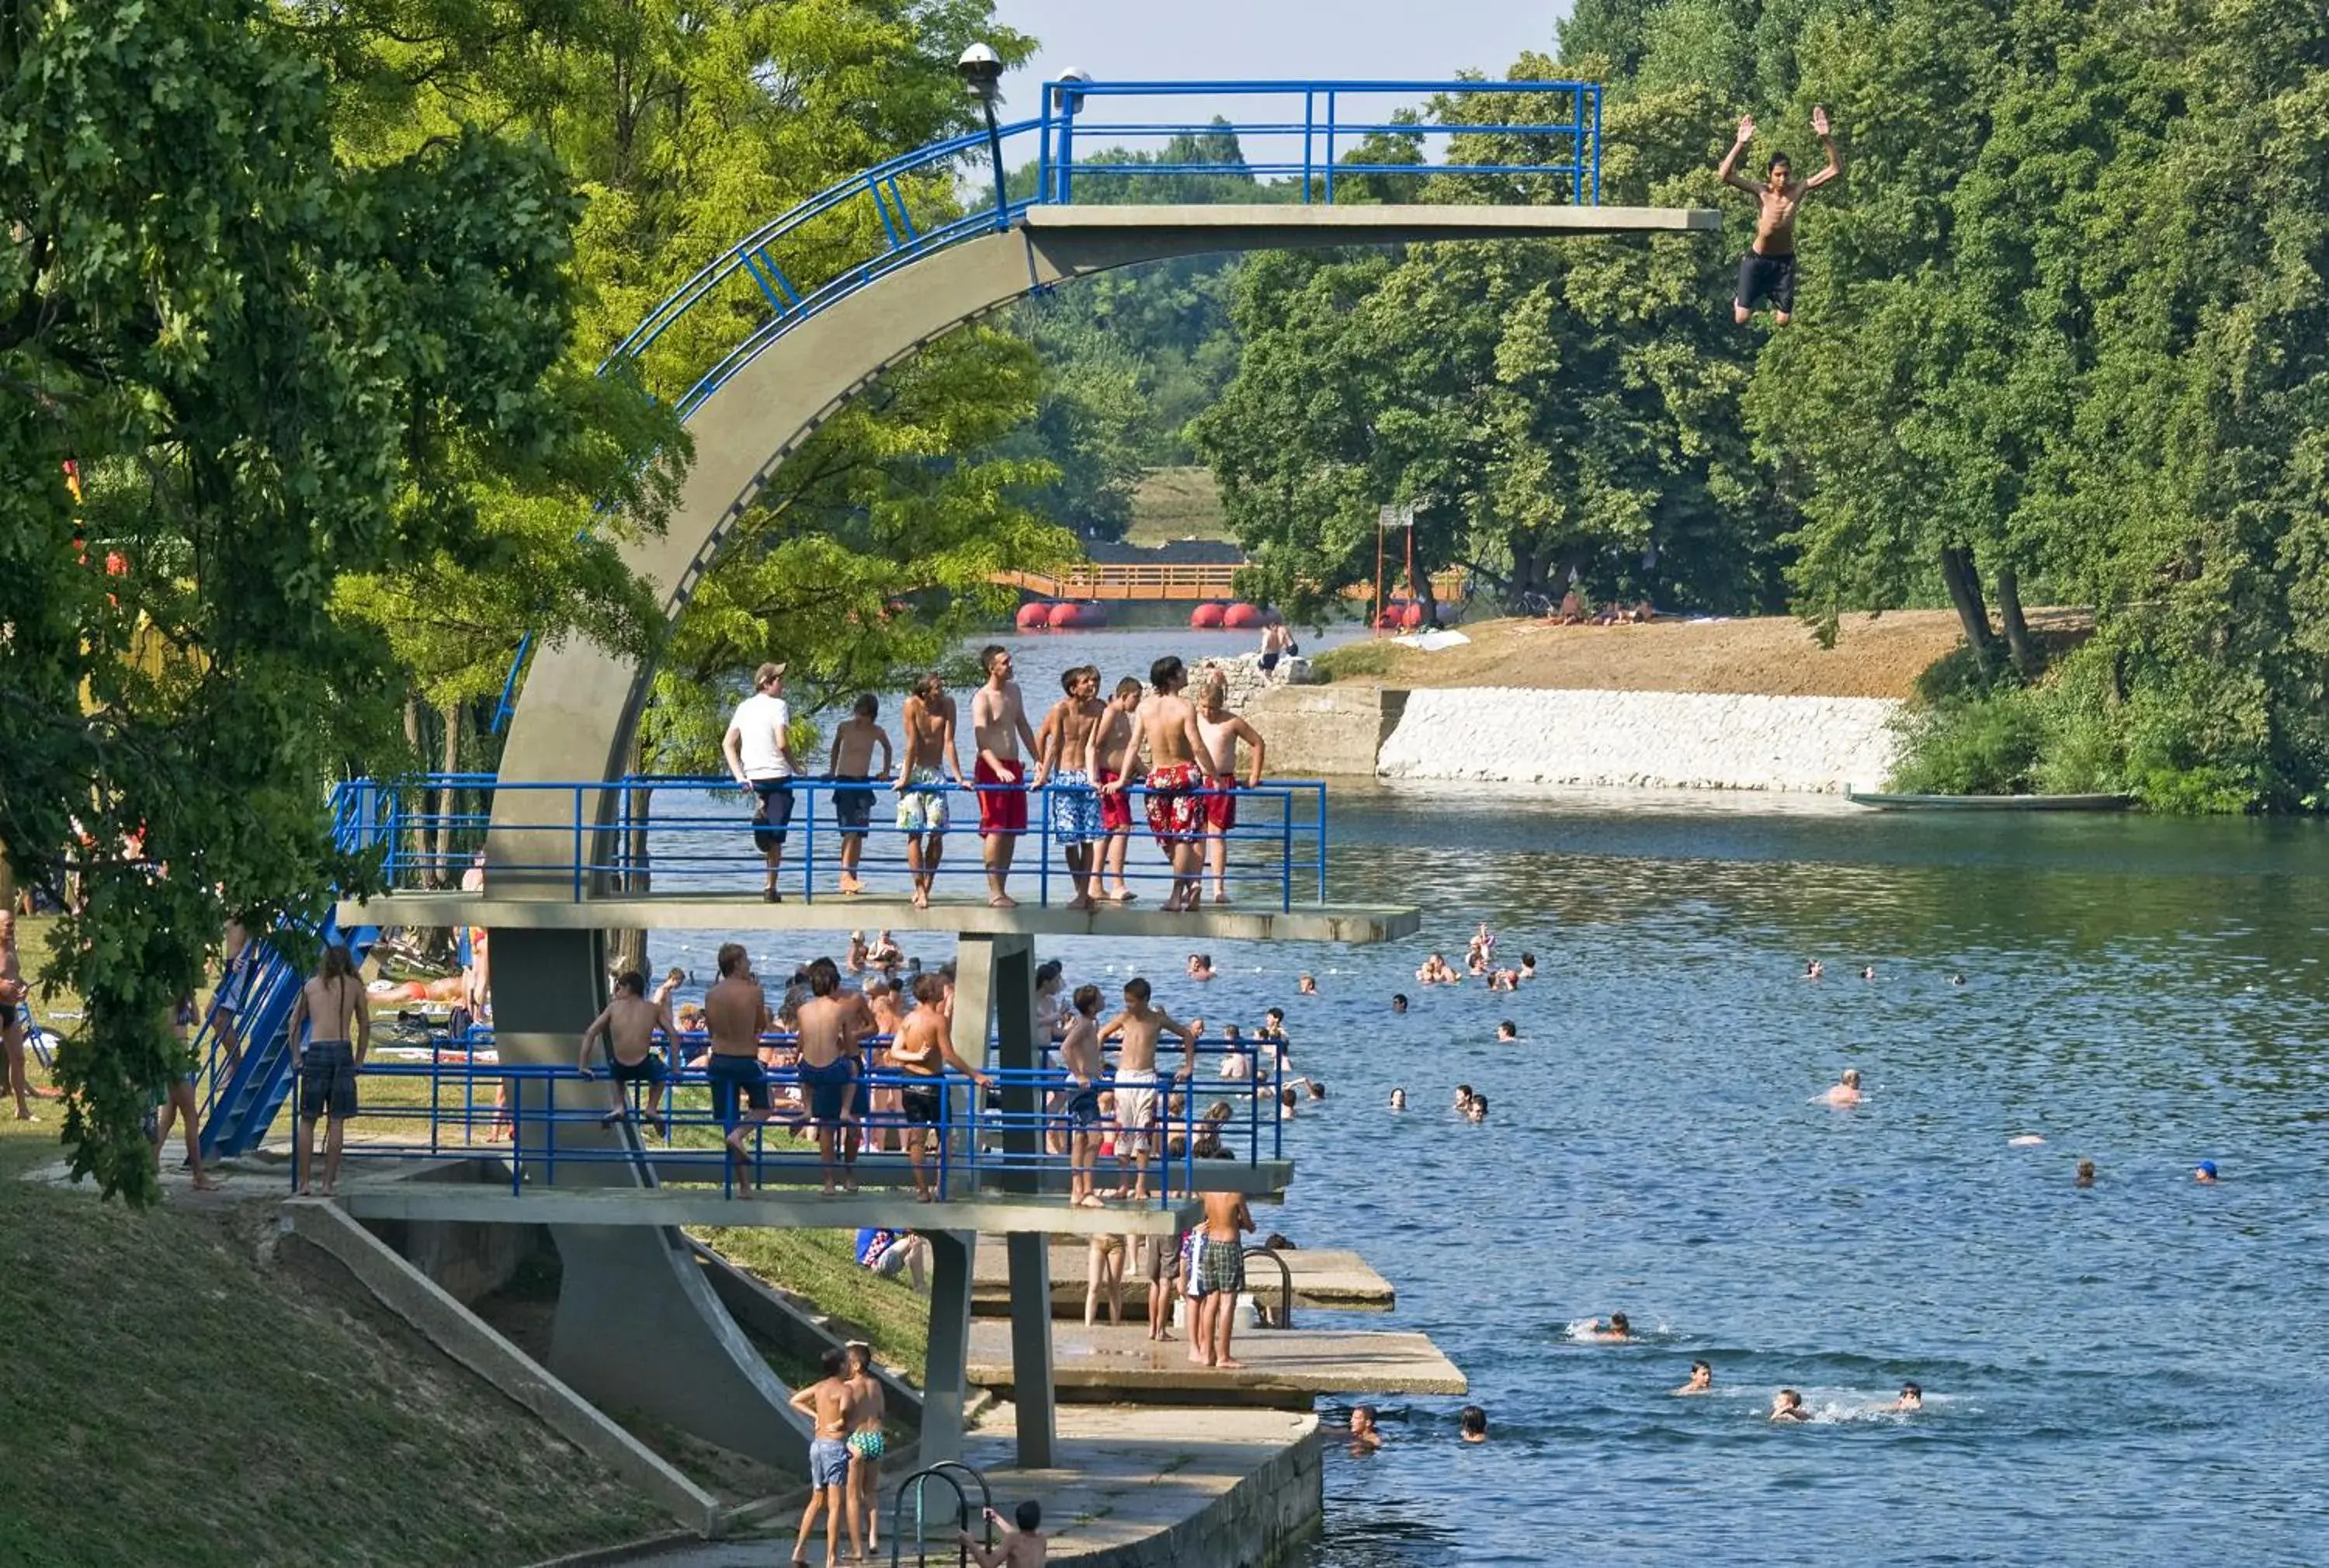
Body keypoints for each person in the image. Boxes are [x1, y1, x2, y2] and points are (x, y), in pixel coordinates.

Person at [1717, 107, 1842, 327]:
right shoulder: (1762, 192)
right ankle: (1740, 300)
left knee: (1783, 321)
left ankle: (1769, 298)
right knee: (1741, 318)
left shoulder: (1799, 189)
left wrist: (1826, 138)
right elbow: (1725, 175)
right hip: (1757, 260)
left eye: (1786, 174)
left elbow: (1835, 169)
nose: (1783, 179)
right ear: (1770, 174)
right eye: (1778, 175)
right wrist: (1740, 144)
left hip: (1784, 262)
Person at [1109, 655, 1213, 912]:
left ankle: (1184, 890)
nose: (1187, 672)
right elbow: (1197, 744)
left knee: (1168, 838)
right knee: (1183, 838)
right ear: (1171, 677)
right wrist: (1216, 776)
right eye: (1181, 670)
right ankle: (1185, 889)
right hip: (1184, 774)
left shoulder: (1144, 707)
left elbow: (1134, 745)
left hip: (1158, 776)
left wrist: (1123, 779)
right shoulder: (1185, 706)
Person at [887, 971, 991, 1202]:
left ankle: (922, 1190)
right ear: (932, 994)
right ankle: (940, 1187)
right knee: (945, 1135)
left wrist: (913, 1056)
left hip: (909, 1081)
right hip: (933, 1083)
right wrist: (974, 1074)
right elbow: (949, 1055)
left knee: (917, 1136)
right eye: (938, 988)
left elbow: (895, 1051)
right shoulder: (938, 1020)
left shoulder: (909, 1019)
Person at [1096, 977, 1201, 1201]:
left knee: (1144, 1132)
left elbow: (1187, 1034)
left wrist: (1188, 1065)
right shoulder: (1124, 1018)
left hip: (1146, 1077)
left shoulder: (1157, 1019)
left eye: (1132, 1001)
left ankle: (1141, 1185)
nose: (1128, 1005)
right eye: (1126, 1001)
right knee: (1123, 1132)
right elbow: (1101, 1034)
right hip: (1124, 1077)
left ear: (1145, 1000)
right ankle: (1124, 1185)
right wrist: (1097, 1062)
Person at [283, 942, 369, 1197]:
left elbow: (294, 1023)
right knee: (337, 1119)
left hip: (317, 1050)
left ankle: (304, 1183)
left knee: (308, 1119)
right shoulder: (353, 986)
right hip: (343, 1051)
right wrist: (360, 1059)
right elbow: (365, 1023)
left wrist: (296, 1055)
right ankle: (328, 1184)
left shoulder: (311, 986)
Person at [969, 644, 1040, 908]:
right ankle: (994, 891)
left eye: (1010, 661)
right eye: (1005, 662)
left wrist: (1038, 758)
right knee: (995, 829)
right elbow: (981, 741)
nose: (1010, 665)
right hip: (991, 769)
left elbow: (1022, 725)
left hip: (1014, 768)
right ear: (992, 668)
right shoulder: (982, 698)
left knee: (1011, 830)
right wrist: (998, 768)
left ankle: (1004, 889)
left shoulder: (1014, 691)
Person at [721, 661, 797, 903]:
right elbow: (782, 743)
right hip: (778, 777)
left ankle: (761, 822)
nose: (783, 685)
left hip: (753, 777)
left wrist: (740, 776)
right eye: (779, 680)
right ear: (767, 683)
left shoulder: (744, 707)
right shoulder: (779, 706)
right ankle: (770, 887)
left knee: (771, 830)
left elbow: (728, 744)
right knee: (777, 837)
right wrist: (798, 767)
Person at [705, 942, 774, 1195]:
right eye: (746, 960)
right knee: (765, 1107)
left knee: (729, 1122)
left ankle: (743, 1185)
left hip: (719, 1060)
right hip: (745, 1060)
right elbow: (760, 1024)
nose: (750, 964)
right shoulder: (754, 991)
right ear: (736, 964)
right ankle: (740, 1138)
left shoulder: (712, 994)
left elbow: (711, 1030)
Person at [1036, 664, 1108, 909]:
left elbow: (1095, 746)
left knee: (1089, 838)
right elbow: (1053, 745)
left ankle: (1083, 893)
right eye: (1086, 681)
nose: (1092, 685)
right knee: (1069, 839)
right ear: (1073, 688)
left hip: (1086, 777)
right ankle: (1080, 891)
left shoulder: (1100, 709)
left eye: (1093, 681)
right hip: (1065, 777)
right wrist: (1042, 776)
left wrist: (1097, 777)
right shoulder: (1061, 709)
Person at [1193, 669, 1267, 905]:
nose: (1208, 712)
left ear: (1221, 704)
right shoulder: (1194, 721)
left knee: (1217, 835)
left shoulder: (1231, 722)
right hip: (1198, 781)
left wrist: (1254, 775)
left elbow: (1257, 742)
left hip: (1223, 781)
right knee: (1196, 835)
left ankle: (1218, 887)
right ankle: (1194, 883)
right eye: (1204, 706)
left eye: (1213, 707)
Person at [795, 956, 866, 1195]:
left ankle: (839, 1178)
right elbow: (846, 1042)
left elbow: (801, 1043)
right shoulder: (839, 1009)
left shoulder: (806, 1009)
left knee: (836, 1124)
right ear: (833, 983)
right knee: (829, 1124)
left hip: (813, 1067)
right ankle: (837, 1178)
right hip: (839, 1064)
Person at [895, 671, 965, 911]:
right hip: (914, 771)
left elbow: (949, 742)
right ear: (925, 692)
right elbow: (912, 743)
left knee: (936, 832)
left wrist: (959, 777)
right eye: (937, 687)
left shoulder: (948, 704)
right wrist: (904, 778)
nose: (942, 689)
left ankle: (928, 883)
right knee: (914, 833)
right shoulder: (911, 705)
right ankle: (919, 889)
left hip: (935, 772)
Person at [576, 970, 675, 1128]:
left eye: (619, 988)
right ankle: (651, 1107)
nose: (616, 993)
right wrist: (676, 1067)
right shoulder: (652, 1008)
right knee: (661, 1074)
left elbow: (590, 1033)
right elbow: (673, 1034)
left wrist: (583, 1066)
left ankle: (618, 1106)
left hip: (620, 1066)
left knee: (615, 1071)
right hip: (644, 1064)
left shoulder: (613, 1008)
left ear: (628, 988)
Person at [789, 1347, 858, 1568]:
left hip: (817, 1446)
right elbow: (846, 1412)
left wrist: (816, 1415)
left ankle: (799, 1550)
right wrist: (841, 1422)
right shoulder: (845, 1389)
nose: (850, 1366)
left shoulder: (820, 1387)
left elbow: (796, 1400)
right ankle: (831, 1558)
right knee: (835, 1505)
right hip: (835, 1447)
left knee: (817, 1499)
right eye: (847, 1363)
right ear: (840, 1367)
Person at [828, 692, 893, 897]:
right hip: (845, 781)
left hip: (862, 783)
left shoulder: (876, 731)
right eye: (857, 712)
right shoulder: (844, 727)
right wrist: (832, 771)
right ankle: (845, 876)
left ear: (872, 715)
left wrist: (886, 772)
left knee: (859, 833)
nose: (859, 717)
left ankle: (852, 877)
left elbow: (888, 748)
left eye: (864, 714)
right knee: (849, 830)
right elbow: (836, 746)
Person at [155, 999, 220, 1191]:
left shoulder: (181, 1001)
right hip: (175, 1062)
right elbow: (165, 1029)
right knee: (191, 1116)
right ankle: (198, 1174)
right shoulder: (168, 1003)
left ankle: (151, 1165)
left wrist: (191, 997)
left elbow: (197, 1020)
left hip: (180, 1060)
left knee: (167, 1119)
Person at [1092, 677, 1144, 902]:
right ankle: (1117, 884)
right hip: (1108, 780)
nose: (1138, 702)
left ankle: (1096, 883)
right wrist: (1094, 778)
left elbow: (1129, 751)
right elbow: (1095, 746)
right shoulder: (1111, 713)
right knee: (1120, 828)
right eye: (1136, 698)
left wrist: (1149, 775)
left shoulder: (1124, 716)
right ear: (1124, 696)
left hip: (1120, 780)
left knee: (1112, 830)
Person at [1191, 1188, 1254, 1369]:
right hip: (1228, 1245)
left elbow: (1205, 1216)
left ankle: (1207, 1353)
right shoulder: (1236, 1194)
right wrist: (1244, 1224)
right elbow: (1248, 1223)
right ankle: (1223, 1356)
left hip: (1210, 1244)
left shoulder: (1206, 1193)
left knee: (1211, 1300)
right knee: (1227, 1301)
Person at [1058, 983, 1107, 1207]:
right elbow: (1066, 1047)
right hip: (1081, 1087)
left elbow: (1085, 1051)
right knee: (1096, 1137)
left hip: (1087, 1085)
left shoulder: (1091, 1024)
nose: (1104, 999)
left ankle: (1078, 1190)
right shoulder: (1085, 1024)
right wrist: (1079, 1074)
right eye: (1100, 997)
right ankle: (1087, 1190)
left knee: (1080, 1137)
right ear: (1092, 1005)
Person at [843, 1342, 888, 1558]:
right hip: (876, 1439)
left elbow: (844, 1413)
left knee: (852, 1496)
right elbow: (881, 1412)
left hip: (858, 1440)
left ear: (857, 1365)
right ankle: (873, 1538)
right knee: (871, 1492)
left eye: (849, 1363)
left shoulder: (849, 1387)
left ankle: (856, 1549)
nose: (847, 1367)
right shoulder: (876, 1385)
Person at [210, 917, 255, 1076]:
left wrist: (243, 955)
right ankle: (234, 1061)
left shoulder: (246, 902)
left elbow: (256, 931)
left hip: (240, 965)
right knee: (211, 1012)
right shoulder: (230, 904)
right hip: (231, 964)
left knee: (219, 1017)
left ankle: (236, 1065)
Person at [0, 910, 33, 1120]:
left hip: (11, 1008)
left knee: (18, 1058)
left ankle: (22, 1109)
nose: (11, 929)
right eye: (7, 925)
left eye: (13, 925)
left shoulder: (11, 947)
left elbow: (15, 975)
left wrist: (23, 986)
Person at [960, 1500, 1046, 1568]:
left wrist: (971, 1544)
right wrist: (997, 1519)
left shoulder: (1013, 1540)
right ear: (1038, 1522)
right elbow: (1020, 1537)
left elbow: (989, 1564)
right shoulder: (1041, 1539)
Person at [856, 1226, 933, 1292]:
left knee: (912, 1240)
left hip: (871, 1263)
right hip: (873, 1264)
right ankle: (920, 1286)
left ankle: (920, 1285)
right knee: (915, 1241)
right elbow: (907, 1229)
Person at [1085, 1232, 1127, 1326]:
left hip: (1117, 1242)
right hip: (1097, 1239)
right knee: (1094, 1285)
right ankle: (1088, 1324)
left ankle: (1115, 1324)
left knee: (1114, 1286)